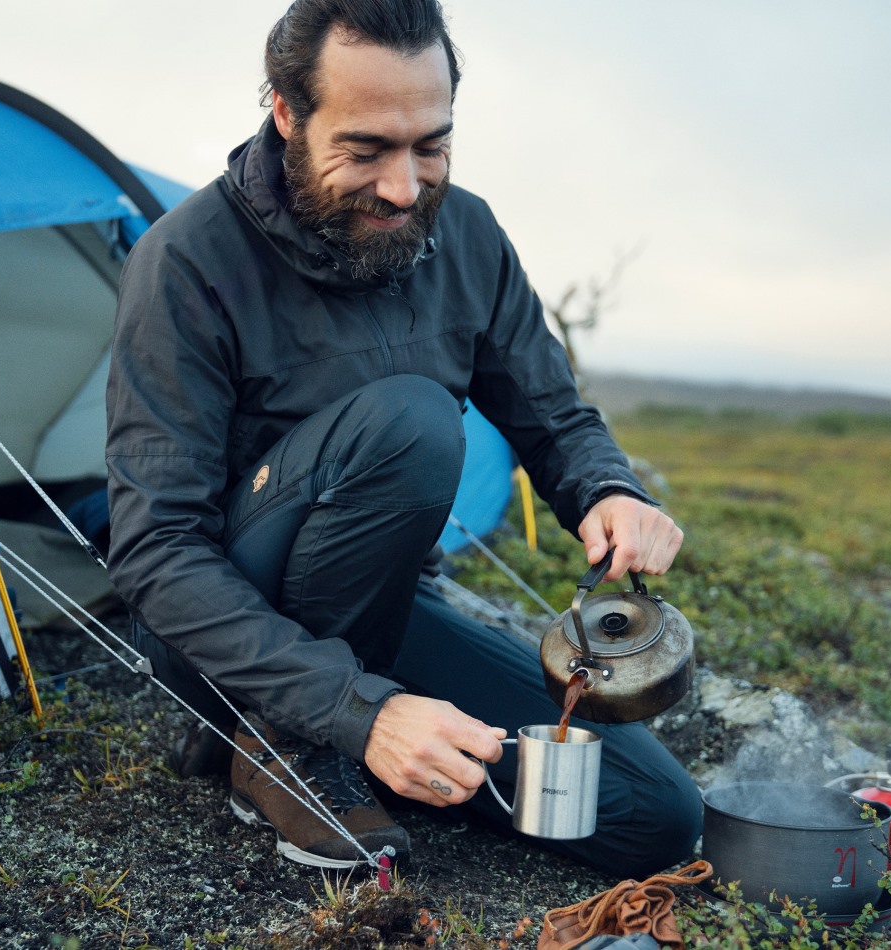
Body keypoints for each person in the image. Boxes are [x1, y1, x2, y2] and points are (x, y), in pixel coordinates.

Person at [105, 0, 702, 875]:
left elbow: (551, 410)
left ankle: (315, 725)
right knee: (413, 423)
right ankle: (281, 741)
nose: (403, 186)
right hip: (224, 635)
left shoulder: (467, 234)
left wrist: (608, 488)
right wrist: (361, 712)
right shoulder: (187, 263)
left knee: (650, 814)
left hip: (379, 609)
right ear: (285, 112)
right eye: (367, 149)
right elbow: (157, 552)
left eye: (431, 144)